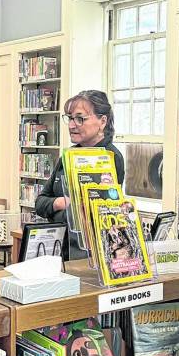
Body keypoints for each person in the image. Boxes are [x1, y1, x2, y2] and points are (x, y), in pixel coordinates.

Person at [35, 90, 124, 259]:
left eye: (80, 118)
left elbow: (99, 212)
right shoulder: (67, 157)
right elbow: (40, 203)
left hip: (90, 255)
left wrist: (65, 210)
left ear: (102, 121)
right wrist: (61, 203)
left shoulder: (111, 158)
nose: (71, 125)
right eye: (69, 118)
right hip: (57, 249)